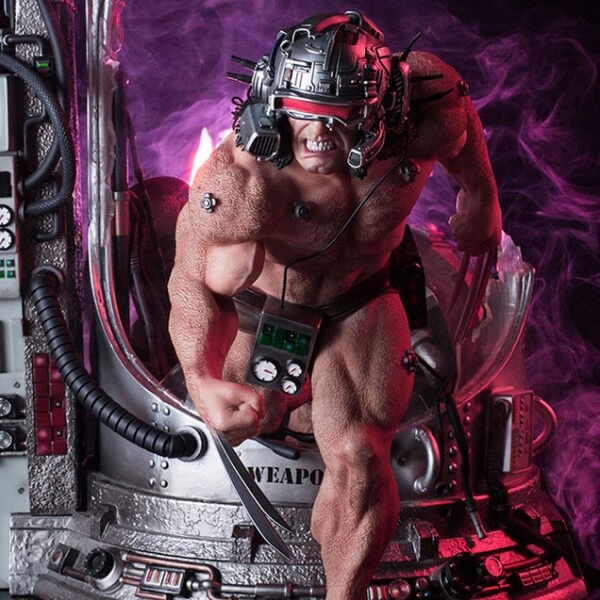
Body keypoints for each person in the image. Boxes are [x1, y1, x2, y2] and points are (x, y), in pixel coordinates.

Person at [168, 11, 502, 600]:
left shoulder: (426, 107)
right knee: (255, 421)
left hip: (360, 301)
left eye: (338, 117)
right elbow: (191, 279)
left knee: (361, 462)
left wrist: (482, 198)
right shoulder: (244, 180)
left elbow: (464, 124)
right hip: (264, 307)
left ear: (381, 109)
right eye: (303, 115)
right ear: (275, 106)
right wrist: (201, 379)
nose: (318, 135)